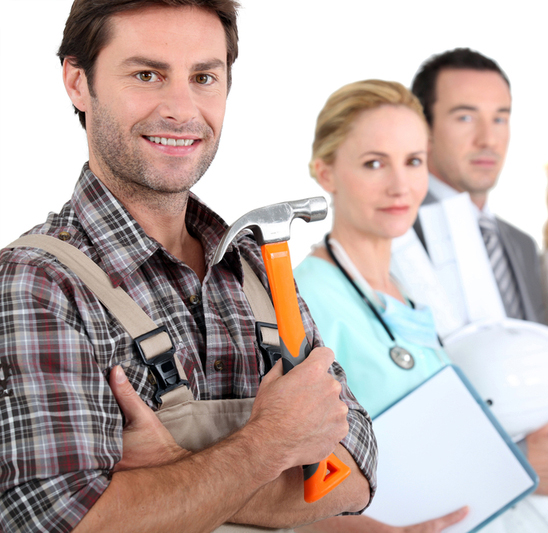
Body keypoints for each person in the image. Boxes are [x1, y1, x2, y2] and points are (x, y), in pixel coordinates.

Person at [0, 1, 377, 531]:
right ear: (78, 82)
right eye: (147, 75)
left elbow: (355, 472)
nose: (182, 110)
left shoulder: (255, 270)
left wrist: (175, 467)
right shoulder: (39, 283)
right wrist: (269, 443)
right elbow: (58, 519)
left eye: (203, 77)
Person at [293, 80, 468, 532]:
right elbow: (287, 488)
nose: (400, 186)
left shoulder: (406, 290)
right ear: (325, 173)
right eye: (374, 163)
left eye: (413, 161)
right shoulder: (302, 300)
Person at [410, 47, 544, 325]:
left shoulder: (524, 246)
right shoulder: (397, 234)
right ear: (423, 127)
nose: (488, 140)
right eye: (466, 117)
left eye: (499, 119)